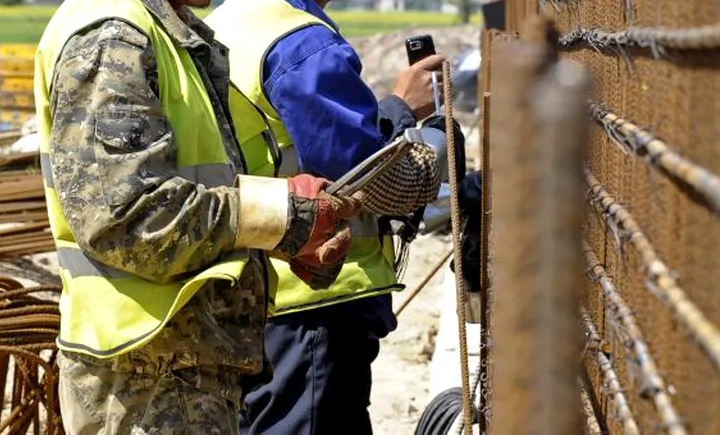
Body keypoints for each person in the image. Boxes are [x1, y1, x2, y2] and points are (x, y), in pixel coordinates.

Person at [33, 0, 362, 431]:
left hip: (165, 368)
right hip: (150, 374)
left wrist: (279, 227)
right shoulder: (114, 35)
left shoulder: (158, 30)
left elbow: (178, 187)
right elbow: (128, 217)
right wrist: (285, 218)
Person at [204, 0, 452, 432]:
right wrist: (409, 116)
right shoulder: (298, 40)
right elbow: (366, 174)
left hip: (245, 293)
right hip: (315, 301)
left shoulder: (219, 22)